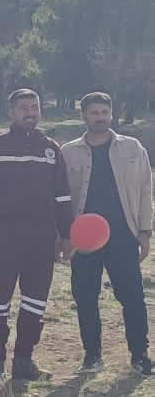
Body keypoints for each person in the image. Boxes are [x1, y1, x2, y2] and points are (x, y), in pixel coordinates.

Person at [0, 89, 74, 382]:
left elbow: (63, 198)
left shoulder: (51, 149)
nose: (30, 112)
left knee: (34, 302)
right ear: (11, 113)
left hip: (42, 240)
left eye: (34, 107)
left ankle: (24, 362)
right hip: (5, 240)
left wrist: (66, 236)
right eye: (23, 108)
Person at [62, 92, 153, 375]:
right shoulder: (68, 152)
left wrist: (145, 231)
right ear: (84, 116)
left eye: (104, 112)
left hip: (124, 235)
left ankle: (140, 356)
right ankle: (92, 357)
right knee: (86, 297)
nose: (99, 117)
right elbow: (61, 198)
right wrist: (64, 237)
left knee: (133, 297)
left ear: (111, 114)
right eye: (94, 113)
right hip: (84, 239)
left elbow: (145, 190)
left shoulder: (133, 148)